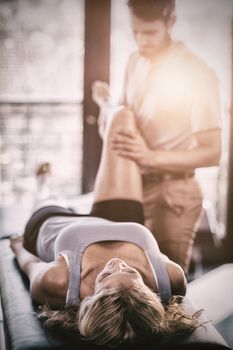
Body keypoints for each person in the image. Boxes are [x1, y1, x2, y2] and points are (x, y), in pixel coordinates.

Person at [10, 109, 201, 348]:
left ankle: (44, 182)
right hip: (115, 220)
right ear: (150, 293)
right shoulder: (170, 277)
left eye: (106, 275)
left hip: (54, 223)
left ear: (88, 300)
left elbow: (30, 265)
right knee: (123, 117)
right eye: (132, 273)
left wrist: (18, 246)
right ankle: (107, 116)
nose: (117, 263)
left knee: (49, 194)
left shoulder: (58, 281)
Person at [92, 0, 222, 273]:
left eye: (150, 33)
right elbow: (124, 123)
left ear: (170, 22)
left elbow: (212, 153)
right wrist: (106, 105)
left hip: (173, 195)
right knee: (133, 281)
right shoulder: (134, 62)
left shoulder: (197, 74)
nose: (142, 41)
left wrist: (150, 156)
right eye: (135, 32)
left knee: (164, 287)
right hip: (136, 189)